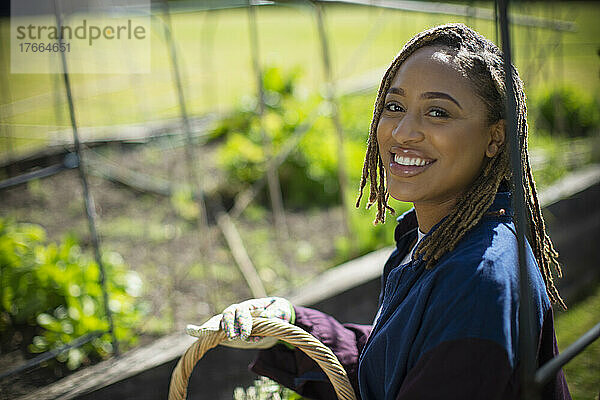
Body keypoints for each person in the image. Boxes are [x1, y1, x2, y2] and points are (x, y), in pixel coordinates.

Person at [187, 23, 571, 399]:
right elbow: (387, 370)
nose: (403, 132)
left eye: (438, 112)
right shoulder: (430, 240)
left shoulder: (480, 281)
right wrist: (291, 322)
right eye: (394, 106)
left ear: (495, 137)